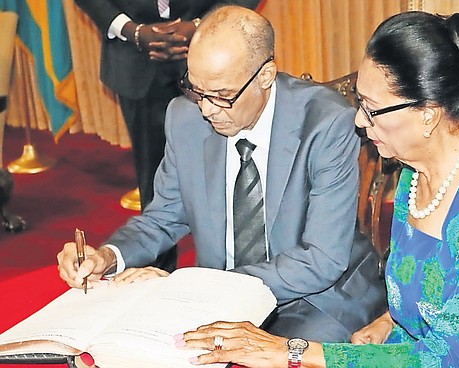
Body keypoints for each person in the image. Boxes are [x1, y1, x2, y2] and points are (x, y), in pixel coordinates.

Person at [173, 11, 459, 368]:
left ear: (428, 115)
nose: (359, 122)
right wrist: (390, 321)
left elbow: (441, 358)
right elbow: (425, 290)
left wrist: (292, 349)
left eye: (372, 110)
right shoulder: (416, 170)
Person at [57, 5, 387, 343]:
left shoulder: (325, 122)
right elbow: (162, 218)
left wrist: (195, 288)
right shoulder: (184, 118)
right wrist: (107, 256)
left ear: (265, 75)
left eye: (223, 96)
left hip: (315, 300)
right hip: (216, 295)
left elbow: (321, 260)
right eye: (196, 89)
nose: (207, 109)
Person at [73, 0, 261, 271]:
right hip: (135, 62)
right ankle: (159, 275)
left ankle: (236, 268)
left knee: (235, 167)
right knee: (154, 184)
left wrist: (202, 26)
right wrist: (129, 30)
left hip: (216, 57)